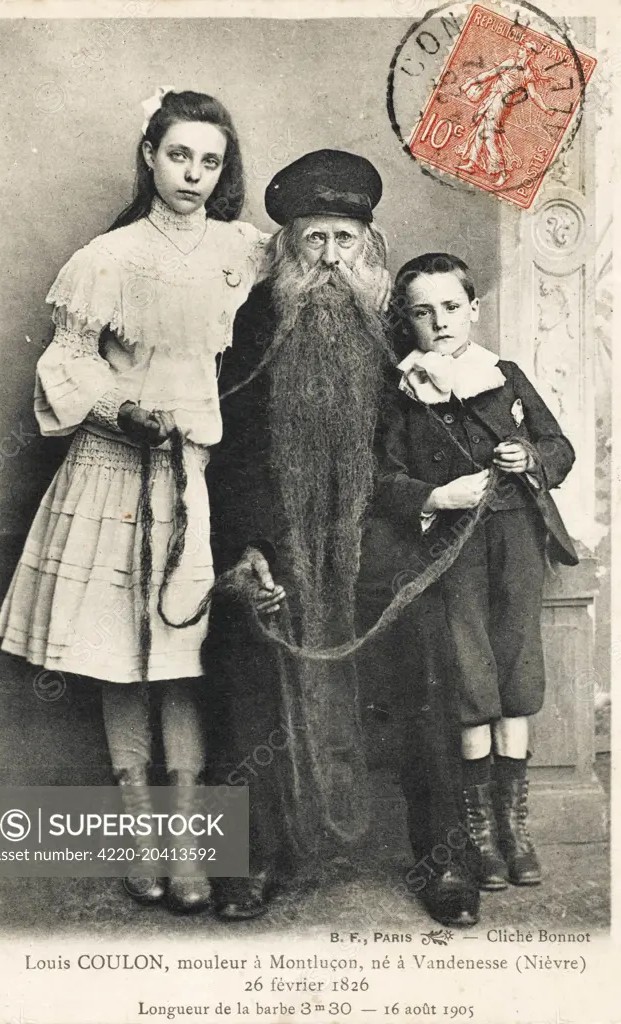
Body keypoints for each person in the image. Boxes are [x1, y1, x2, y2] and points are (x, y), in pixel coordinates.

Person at [0, 88, 269, 913]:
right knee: (123, 662)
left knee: (180, 662)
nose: (192, 173)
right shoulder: (106, 257)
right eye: (178, 154)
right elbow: (67, 364)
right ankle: (138, 838)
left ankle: (188, 848)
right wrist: (122, 408)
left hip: (191, 479)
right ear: (149, 154)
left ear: (223, 171)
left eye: (209, 160)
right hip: (111, 473)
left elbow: (328, 270)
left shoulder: (242, 251)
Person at [203, 150, 478, 928]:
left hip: (382, 530)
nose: (329, 258)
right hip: (280, 535)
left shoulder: (405, 324)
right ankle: (249, 859)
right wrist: (247, 547)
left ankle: (445, 859)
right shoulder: (253, 319)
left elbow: (439, 441)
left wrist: (426, 503)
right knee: (244, 659)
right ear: (288, 247)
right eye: (314, 239)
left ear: (369, 245)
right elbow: (227, 445)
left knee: (428, 663)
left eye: (344, 241)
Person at [376, 252, 578, 893]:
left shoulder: (505, 375)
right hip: (452, 549)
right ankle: (480, 840)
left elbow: (560, 446)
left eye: (452, 307)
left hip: (516, 534)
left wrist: (531, 455)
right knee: (468, 675)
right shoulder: (400, 391)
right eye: (422, 311)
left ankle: (514, 831)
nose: (439, 322)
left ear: (473, 310)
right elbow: (379, 479)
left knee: (517, 668)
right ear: (406, 320)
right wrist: (436, 497)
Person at [456, 39, 556, 187]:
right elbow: (490, 74)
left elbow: (534, 95)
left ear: (528, 53)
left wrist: (545, 109)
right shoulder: (519, 67)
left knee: (489, 136)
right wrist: (471, 82)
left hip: (499, 103)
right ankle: (472, 162)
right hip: (496, 100)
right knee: (481, 130)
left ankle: (503, 172)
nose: (519, 50)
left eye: (522, 48)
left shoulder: (521, 68)